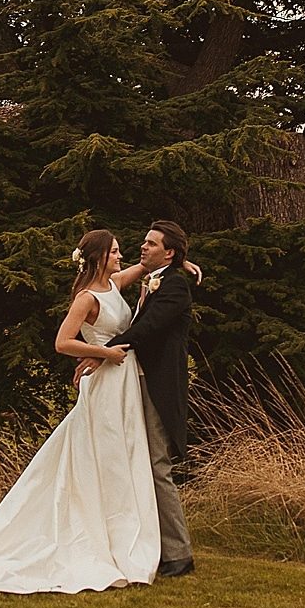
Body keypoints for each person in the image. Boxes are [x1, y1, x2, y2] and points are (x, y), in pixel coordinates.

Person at [0, 228, 191, 592]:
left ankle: (134, 538)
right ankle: (105, 538)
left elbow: (149, 272)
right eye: (115, 251)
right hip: (109, 380)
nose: (124, 254)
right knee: (107, 459)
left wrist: (179, 262)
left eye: (124, 250)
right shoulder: (86, 298)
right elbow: (62, 342)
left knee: (127, 460)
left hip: (125, 381)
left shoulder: (115, 282)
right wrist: (101, 354)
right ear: (100, 258)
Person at [90, 221, 197, 577]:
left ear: (168, 252)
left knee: (156, 466)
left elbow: (146, 330)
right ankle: (149, 544)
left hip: (160, 388)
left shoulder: (175, 287)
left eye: (151, 244)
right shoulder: (160, 279)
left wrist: (99, 352)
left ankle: (179, 554)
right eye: (143, 242)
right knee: (139, 465)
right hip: (136, 384)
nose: (142, 248)